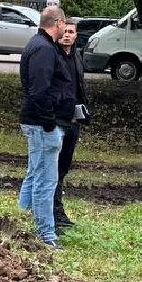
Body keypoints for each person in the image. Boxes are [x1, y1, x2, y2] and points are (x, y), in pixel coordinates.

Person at [19, 5, 69, 247]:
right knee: (45, 181)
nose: (65, 28)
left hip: (37, 122)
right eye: (64, 24)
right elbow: (39, 91)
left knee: (34, 174)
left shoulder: (38, 45)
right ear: (57, 23)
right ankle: (46, 235)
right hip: (42, 125)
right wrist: (50, 123)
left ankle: (21, 221)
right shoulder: (44, 49)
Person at [53, 18, 89, 231]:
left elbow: (79, 88)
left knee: (64, 167)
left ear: (76, 35)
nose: (67, 35)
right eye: (64, 31)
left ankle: (58, 209)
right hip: (57, 120)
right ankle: (54, 211)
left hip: (74, 120)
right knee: (52, 169)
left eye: (71, 32)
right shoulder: (54, 56)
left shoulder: (76, 56)